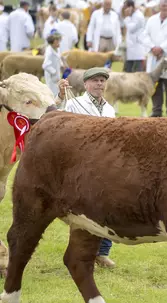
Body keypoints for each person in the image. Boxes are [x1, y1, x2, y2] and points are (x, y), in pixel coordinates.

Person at [57, 68, 116, 268]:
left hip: (105, 164)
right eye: (95, 81)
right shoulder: (73, 103)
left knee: (109, 207)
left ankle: (102, 252)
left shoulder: (110, 109)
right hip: (80, 164)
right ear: (85, 84)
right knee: (82, 212)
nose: (99, 84)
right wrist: (60, 95)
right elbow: (57, 119)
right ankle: (80, 252)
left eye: (102, 80)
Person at [122, 0, 146, 73]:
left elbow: (131, 29)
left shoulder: (139, 16)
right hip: (131, 49)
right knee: (128, 72)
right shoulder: (132, 16)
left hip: (137, 49)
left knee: (138, 72)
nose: (124, 10)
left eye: (126, 7)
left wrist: (126, 17)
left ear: (131, 7)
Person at [43, 31, 63, 96]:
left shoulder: (58, 49)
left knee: (57, 91)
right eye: (57, 41)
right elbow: (45, 65)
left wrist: (61, 64)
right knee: (51, 92)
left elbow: (59, 58)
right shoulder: (49, 52)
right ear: (53, 42)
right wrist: (54, 72)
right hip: (51, 77)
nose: (59, 42)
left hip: (57, 75)